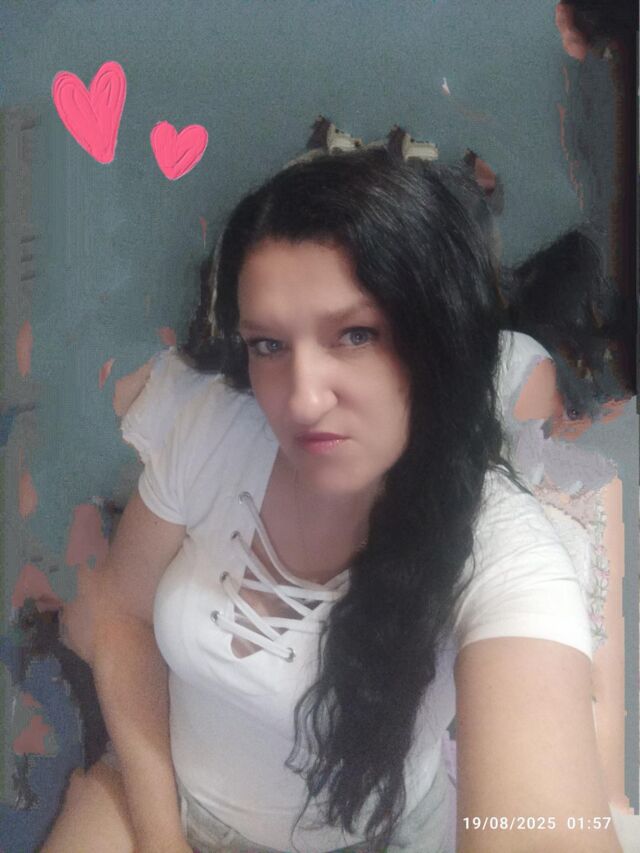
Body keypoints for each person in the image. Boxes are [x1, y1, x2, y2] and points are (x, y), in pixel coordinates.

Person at [42, 148, 621, 852]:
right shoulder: (215, 427)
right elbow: (122, 614)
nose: (303, 399)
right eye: (268, 345)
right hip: (164, 795)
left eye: (355, 335)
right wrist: (163, 835)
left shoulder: (504, 550)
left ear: (436, 338)